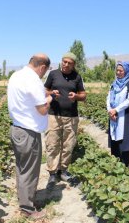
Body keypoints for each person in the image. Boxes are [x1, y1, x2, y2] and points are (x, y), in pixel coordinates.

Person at [8, 53, 58, 219]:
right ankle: (27, 209)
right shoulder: (34, 80)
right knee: (30, 171)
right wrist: (50, 98)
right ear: (42, 67)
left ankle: (23, 199)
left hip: (17, 129)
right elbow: (42, 109)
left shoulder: (16, 75)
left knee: (22, 168)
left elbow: (28, 99)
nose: (44, 74)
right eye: (45, 71)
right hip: (29, 133)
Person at [44, 52, 86, 189]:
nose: (66, 64)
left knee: (69, 144)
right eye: (64, 61)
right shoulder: (53, 74)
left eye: (69, 63)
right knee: (52, 143)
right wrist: (51, 93)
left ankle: (63, 170)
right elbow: (44, 90)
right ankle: (52, 172)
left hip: (71, 116)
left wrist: (76, 96)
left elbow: (83, 95)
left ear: (74, 65)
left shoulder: (77, 77)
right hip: (54, 115)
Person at [106, 61, 129, 168]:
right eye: (117, 70)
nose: (118, 72)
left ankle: (126, 163)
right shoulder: (114, 83)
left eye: (121, 71)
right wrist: (110, 110)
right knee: (114, 138)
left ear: (127, 71)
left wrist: (116, 110)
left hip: (125, 116)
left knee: (124, 139)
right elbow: (108, 98)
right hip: (113, 115)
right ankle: (115, 162)